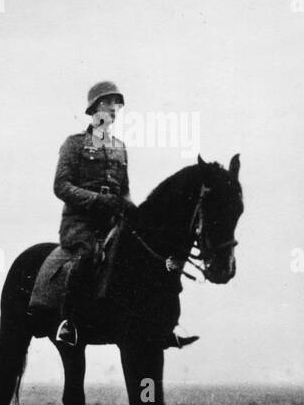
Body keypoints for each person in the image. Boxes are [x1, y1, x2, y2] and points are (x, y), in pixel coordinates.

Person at [53, 81, 198, 349]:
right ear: (96, 107)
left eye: (116, 104)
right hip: (81, 223)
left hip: (114, 220)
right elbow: (61, 186)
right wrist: (97, 199)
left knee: (151, 253)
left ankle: (165, 325)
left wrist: (134, 210)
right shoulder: (73, 145)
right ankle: (69, 322)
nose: (114, 109)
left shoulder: (120, 147)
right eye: (109, 102)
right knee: (88, 255)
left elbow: (126, 190)